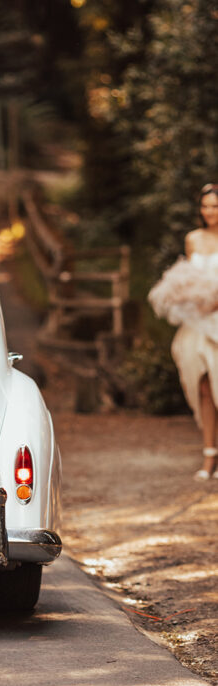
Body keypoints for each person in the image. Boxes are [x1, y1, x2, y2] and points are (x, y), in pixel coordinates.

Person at [149, 184, 218, 480]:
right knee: (200, 385)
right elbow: (189, 278)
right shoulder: (193, 239)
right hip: (196, 321)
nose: (209, 211)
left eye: (214, 206)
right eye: (205, 206)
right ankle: (209, 456)